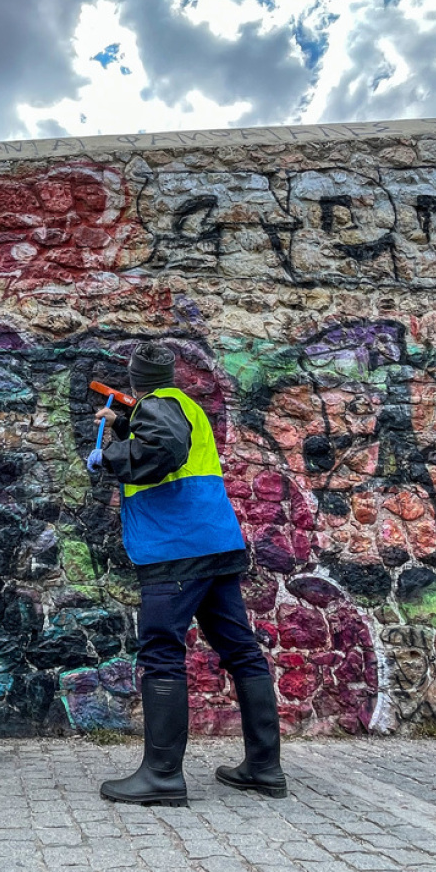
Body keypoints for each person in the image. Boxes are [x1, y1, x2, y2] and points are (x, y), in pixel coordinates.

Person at [86, 340, 287, 805]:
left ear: (136, 380)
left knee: (161, 653)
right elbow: (168, 437)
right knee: (242, 652)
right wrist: (124, 423)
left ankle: (161, 776)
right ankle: (264, 768)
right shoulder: (183, 404)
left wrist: (110, 456)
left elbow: (164, 449)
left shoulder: (158, 405)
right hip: (214, 542)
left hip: (175, 548)